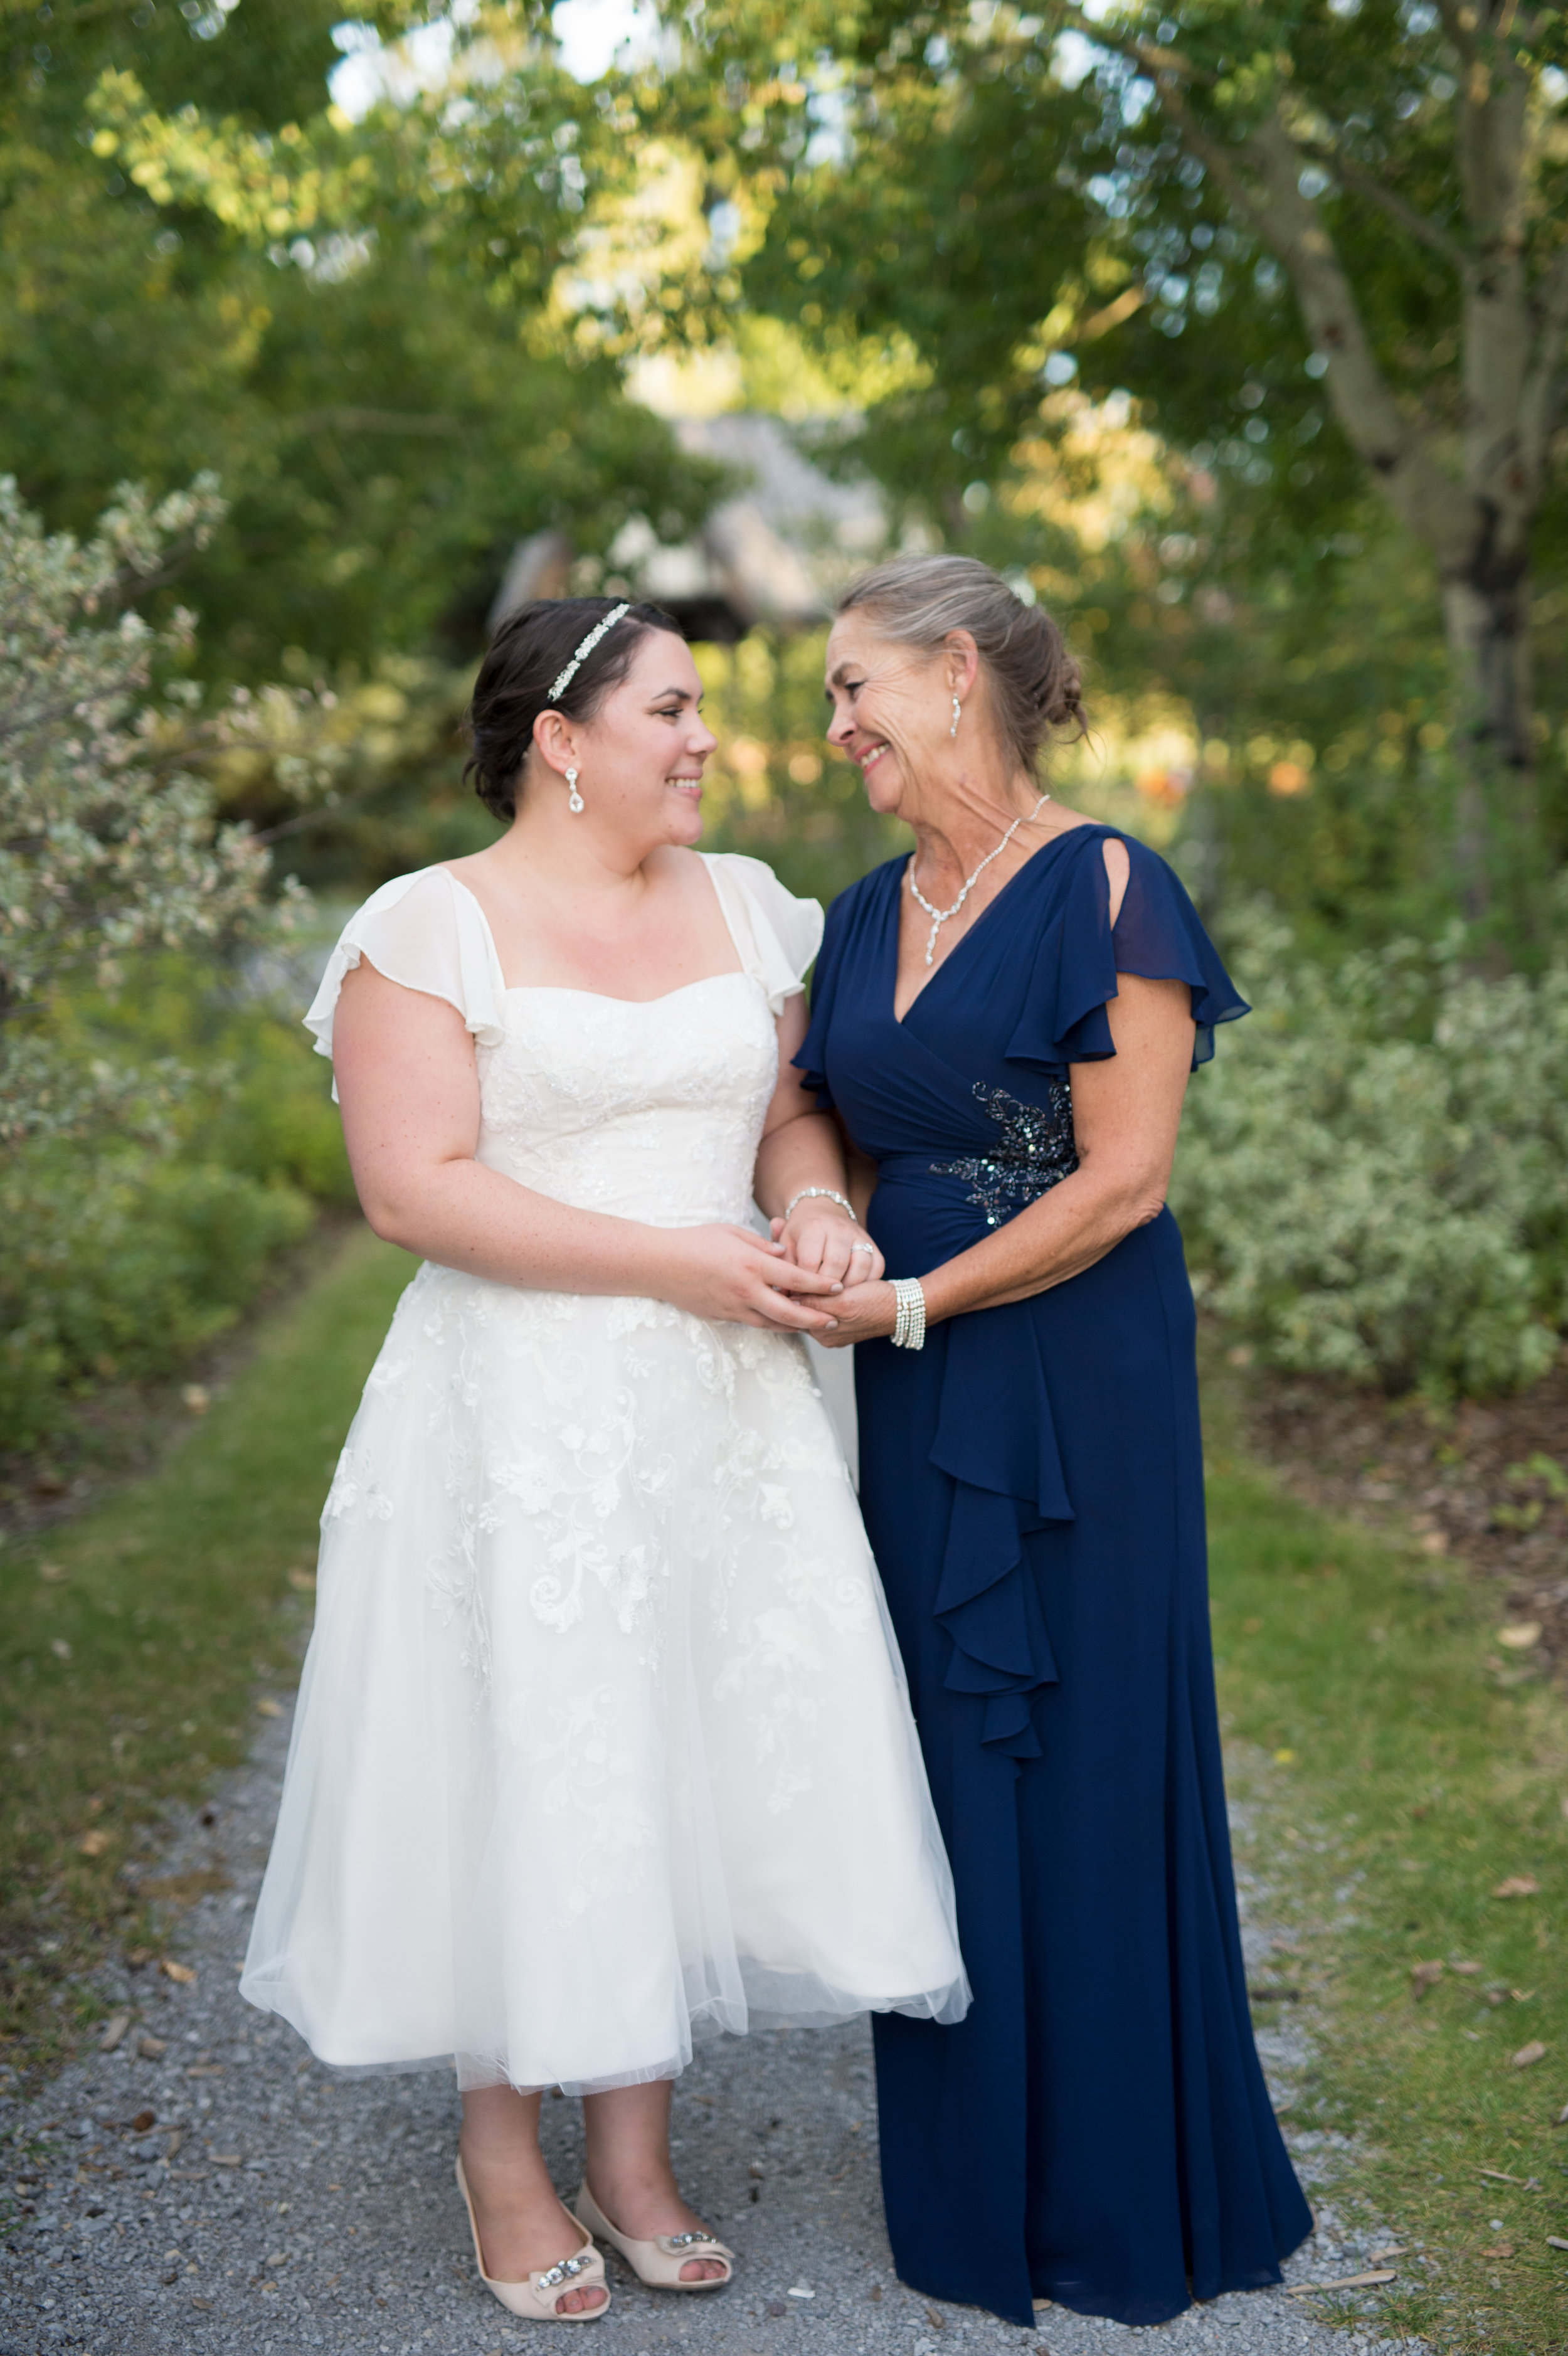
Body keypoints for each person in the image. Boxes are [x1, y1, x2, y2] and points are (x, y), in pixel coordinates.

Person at [239, 595, 968, 2324]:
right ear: (560, 740)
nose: (708, 738)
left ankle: (635, 2153)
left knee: (681, 1740)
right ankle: (502, 2150)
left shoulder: (747, 905)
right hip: (518, 1408)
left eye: (702, 708)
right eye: (672, 710)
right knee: (528, 1745)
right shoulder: (428, 928)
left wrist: (808, 1204)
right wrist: (674, 1262)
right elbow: (415, 1187)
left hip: (722, 1409)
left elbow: (785, 1111)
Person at [788, 555, 1313, 2327]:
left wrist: (916, 1302)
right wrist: (823, 1213)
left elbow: (1126, 1177)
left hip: (1077, 1364)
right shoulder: (863, 911)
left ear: (955, 674)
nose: (835, 724)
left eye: (854, 685)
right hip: (914, 1373)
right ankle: (967, 2185)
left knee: (1085, 1743)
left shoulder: (1105, 884)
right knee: (938, 1746)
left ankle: (1113, 2184)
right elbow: (808, 1106)